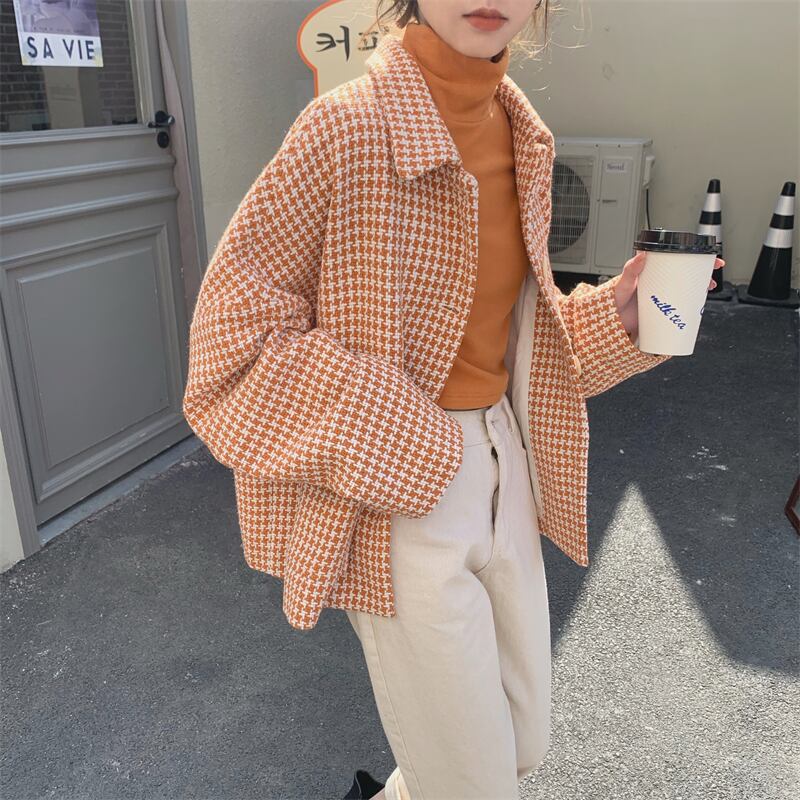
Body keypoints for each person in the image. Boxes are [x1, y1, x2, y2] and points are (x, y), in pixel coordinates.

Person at [182, 2, 723, 799]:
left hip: (506, 469)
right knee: (474, 785)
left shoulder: (523, 134)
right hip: (398, 489)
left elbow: (505, 344)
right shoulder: (344, 130)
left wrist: (617, 317)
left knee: (522, 742)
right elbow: (230, 345)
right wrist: (410, 437)